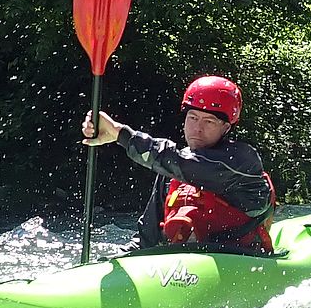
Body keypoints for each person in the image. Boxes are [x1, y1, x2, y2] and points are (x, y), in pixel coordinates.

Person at [82, 75, 277, 256]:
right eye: (193, 118)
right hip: (183, 266)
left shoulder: (242, 162)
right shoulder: (171, 171)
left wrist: (120, 134)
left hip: (241, 259)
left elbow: (186, 164)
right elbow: (146, 239)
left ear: (226, 128)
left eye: (209, 121)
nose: (197, 128)